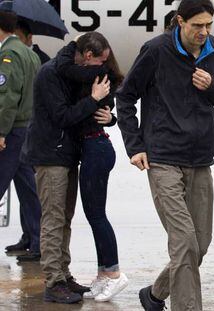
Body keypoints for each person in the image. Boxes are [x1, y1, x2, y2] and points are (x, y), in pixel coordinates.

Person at [116, 0, 214, 309]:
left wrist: (212, 86)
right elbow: (126, 97)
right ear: (180, 21)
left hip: (200, 159)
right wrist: (135, 146)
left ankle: (155, 294)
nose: (204, 32)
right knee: (184, 242)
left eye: (209, 25)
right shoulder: (156, 51)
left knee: (200, 245)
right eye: (197, 25)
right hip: (162, 158)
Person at [20, 32, 111, 304]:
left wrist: (109, 116)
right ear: (87, 56)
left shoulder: (72, 73)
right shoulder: (51, 75)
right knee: (53, 219)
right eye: (101, 61)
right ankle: (53, 281)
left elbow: (82, 115)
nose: (103, 67)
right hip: (50, 155)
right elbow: (62, 116)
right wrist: (93, 100)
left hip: (67, 153)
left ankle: (63, 272)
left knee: (65, 218)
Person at [54, 33, 128, 302]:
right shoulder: (99, 74)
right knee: (94, 214)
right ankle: (103, 273)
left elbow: (63, 67)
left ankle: (114, 273)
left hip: (96, 148)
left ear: (88, 55)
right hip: (95, 146)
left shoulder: (95, 73)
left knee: (97, 215)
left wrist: (72, 43)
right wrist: (111, 118)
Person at [4, 19, 50, 257]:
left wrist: (1, 131)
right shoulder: (30, 55)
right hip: (28, 129)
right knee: (29, 188)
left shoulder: (10, 54)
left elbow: (8, 97)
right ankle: (37, 239)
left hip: (13, 130)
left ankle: (37, 239)